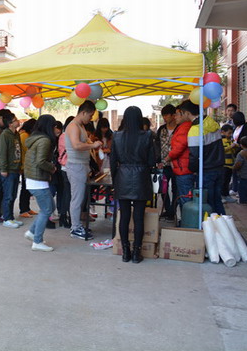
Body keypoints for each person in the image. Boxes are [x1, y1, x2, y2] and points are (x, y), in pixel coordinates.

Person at [111, 106, 156, 264]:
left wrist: (115, 180)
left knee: (124, 216)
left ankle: (125, 252)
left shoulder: (116, 136)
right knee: (138, 217)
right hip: (141, 177)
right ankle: (137, 253)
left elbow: (113, 162)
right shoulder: (147, 136)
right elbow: (152, 161)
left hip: (123, 177)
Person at [65, 101, 102, 240]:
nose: (91, 118)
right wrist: (93, 145)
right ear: (83, 112)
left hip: (82, 165)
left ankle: (77, 225)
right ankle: (75, 228)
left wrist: (92, 144)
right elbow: (76, 145)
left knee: (80, 198)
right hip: (76, 166)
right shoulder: (73, 126)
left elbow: (83, 143)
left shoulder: (80, 126)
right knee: (77, 199)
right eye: (90, 115)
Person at [22, 115, 59, 252]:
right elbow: (41, 161)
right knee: (47, 209)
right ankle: (37, 241)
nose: (56, 129)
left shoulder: (37, 138)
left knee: (49, 207)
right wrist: (52, 168)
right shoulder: (44, 140)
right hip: (37, 180)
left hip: (35, 179)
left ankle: (32, 233)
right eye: (54, 126)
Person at [188, 102, 226, 215]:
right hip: (219, 167)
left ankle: (211, 224)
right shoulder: (212, 123)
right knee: (217, 200)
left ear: (187, 113)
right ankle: (223, 223)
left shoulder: (195, 129)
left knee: (208, 203)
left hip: (206, 170)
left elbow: (194, 155)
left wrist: (192, 169)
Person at [164, 101, 195, 213]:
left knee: (185, 198)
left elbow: (179, 147)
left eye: (177, 114)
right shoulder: (183, 127)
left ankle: (187, 221)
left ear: (185, 114)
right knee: (183, 196)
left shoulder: (185, 127)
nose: (175, 117)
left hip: (184, 169)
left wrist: (168, 157)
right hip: (181, 168)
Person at [0, 113, 24, 229]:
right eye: (15, 120)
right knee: (8, 195)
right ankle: (6, 218)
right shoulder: (5, 134)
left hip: (16, 168)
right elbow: (3, 153)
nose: (17, 121)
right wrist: (3, 168)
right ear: (10, 124)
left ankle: (11, 217)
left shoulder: (16, 134)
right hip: (8, 169)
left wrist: (20, 166)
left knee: (13, 195)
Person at [155, 104, 178, 220]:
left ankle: (173, 211)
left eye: (166, 115)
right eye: (163, 115)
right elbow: (156, 145)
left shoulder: (179, 128)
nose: (164, 117)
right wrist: (157, 160)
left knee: (176, 189)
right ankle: (168, 210)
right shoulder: (161, 129)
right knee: (162, 189)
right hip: (162, 164)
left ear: (173, 115)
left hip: (177, 164)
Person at [56, 116, 74, 228]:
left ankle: (64, 216)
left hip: (65, 167)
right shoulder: (67, 136)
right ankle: (65, 216)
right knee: (68, 194)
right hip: (68, 167)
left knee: (67, 193)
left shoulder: (63, 136)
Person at [18, 119, 37, 219]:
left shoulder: (26, 135)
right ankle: (23, 209)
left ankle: (27, 208)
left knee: (27, 188)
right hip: (25, 165)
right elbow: (29, 150)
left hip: (27, 165)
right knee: (25, 189)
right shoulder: (24, 136)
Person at [221, 125, 236, 204]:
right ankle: (222, 195)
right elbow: (222, 150)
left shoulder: (229, 140)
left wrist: (234, 147)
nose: (230, 135)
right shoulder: (221, 141)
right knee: (223, 181)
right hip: (224, 164)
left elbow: (232, 152)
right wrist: (230, 147)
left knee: (227, 181)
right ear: (223, 132)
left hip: (230, 164)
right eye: (229, 133)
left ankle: (226, 195)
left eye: (231, 133)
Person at [232, 136, 247, 204]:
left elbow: (238, 164)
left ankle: (243, 203)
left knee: (243, 192)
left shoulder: (241, 153)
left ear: (241, 145)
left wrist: (234, 168)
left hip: (243, 176)